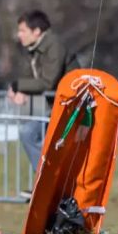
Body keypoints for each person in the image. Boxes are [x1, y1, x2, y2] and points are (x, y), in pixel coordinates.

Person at [8, 11, 76, 174]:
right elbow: (29, 76)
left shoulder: (54, 45)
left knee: (31, 135)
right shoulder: (35, 49)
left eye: (23, 30)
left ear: (36, 31)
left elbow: (48, 82)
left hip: (71, 109)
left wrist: (18, 86)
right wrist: (19, 88)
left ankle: (49, 183)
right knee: (28, 134)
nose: (19, 35)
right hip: (58, 109)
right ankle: (45, 183)